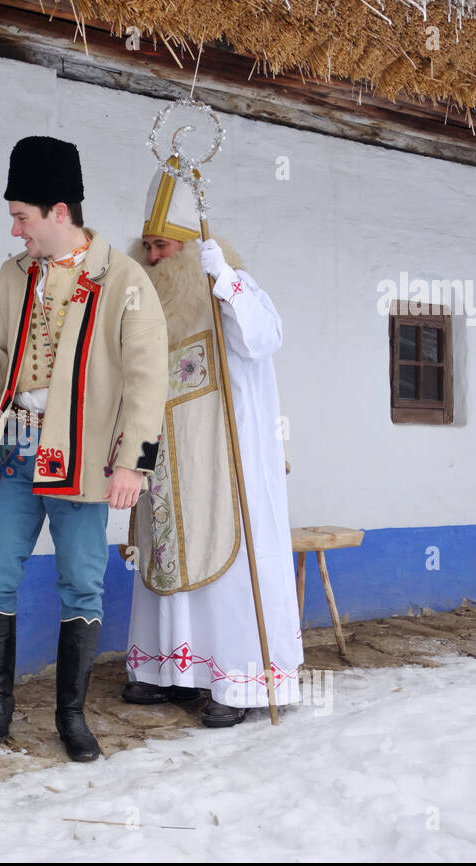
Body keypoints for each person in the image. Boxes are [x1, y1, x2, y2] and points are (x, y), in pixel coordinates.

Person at [0, 136, 168, 761]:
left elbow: (148, 378)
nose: (16, 230)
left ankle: (71, 716)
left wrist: (134, 462)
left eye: (23, 217)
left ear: (59, 212)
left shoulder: (122, 279)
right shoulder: (13, 275)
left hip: (81, 456)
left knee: (82, 583)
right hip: (15, 447)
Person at [123, 160, 302, 727]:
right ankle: (170, 673)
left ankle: (238, 682)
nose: (151, 259)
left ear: (191, 247)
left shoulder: (227, 287)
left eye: (161, 248)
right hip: (167, 467)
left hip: (228, 469)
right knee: (166, 559)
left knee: (228, 568)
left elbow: (266, 336)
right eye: (146, 247)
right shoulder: (148, 316)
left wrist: (225, 280)